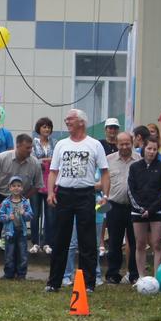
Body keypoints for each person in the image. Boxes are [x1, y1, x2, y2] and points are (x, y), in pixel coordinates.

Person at [45, 109, 110, 294]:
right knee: (61, 239)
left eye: (70, 119)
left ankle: (88, 283)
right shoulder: (61, 144)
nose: (67, 121)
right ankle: (54, 282)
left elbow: (105, 172)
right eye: (66, 119)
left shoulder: (94, 145)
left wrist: (105, 196)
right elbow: (53, 172)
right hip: (64, 194)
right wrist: (50, 192)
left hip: (86, 194)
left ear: (81, 122)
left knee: (87, 240)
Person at [0, 133, 38, 278]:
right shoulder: (2, 158)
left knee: (17, 235)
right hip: (0, 197)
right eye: (27, 148)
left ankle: (16, 271)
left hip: (20, 200)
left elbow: (37, 185)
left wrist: (24, 199)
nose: (30, 150)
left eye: (31, 148)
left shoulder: (34, 163)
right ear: (18, 146)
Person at [129, 139, 161, 278]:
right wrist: (140, 209)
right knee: (140, 244)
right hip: (138, 211)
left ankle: (157, 277)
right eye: (149, 149)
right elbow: (131, 190)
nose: (151, 152)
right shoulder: (134, 167)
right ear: (143, 149)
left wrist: (151, 210)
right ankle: (141, 276)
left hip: (157, 210)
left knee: (157, 244)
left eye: (154, 149)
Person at [103, 131, 139, 284]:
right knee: (114, 242)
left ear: (132, 143)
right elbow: (102, 181)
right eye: (121, 144)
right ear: (116, 144)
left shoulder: (140, 159)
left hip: (134, 207)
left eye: (127, 143)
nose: (124, 147)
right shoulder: (108, 160)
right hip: (114, 206)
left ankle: (134, 274)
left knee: (135, 242)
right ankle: (113, 273)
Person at [0, 177, 33, 279]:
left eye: (18, 186)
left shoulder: (25, 202)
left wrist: (24, 213)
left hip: (22, 231)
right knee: (9, 253)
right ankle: (9, 273)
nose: (16, 188)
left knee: (22, 253)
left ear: (22, 188)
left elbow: (31, 215)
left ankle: (21, 274)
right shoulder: (5, 203)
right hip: (9, 232)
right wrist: (8, 217)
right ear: (10, 188)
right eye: (13, 186)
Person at [30, 117, 55, 254]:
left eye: (49, 127)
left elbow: (56, 160)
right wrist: (46, 160)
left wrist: (44, 160)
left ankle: (47, 242)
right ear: (39, 128)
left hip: (50, 182)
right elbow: (33, 160)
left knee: (50, 214)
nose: (47, 129)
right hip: (35, 182)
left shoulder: (55, 143)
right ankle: (35, 242)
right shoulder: (33, 143)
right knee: (35, 213)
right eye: (44, 127)